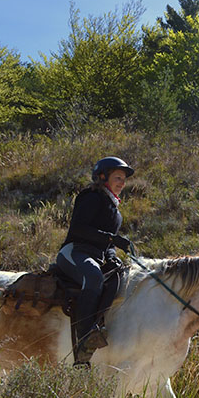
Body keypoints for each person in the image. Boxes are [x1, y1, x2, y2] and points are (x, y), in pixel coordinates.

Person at [57, 156, 134, 367]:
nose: (122, 183)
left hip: (97, 255)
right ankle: (84, 339)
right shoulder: (92, 196)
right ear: (102, 177)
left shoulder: (114, 210)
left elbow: (107, 246)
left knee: (119, 277)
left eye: (123, 179)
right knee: (93, 277)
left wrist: (112, 255)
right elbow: (78, 229)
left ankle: (99, 325)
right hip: (75, 252)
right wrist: (110, 239)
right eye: (117, 177)